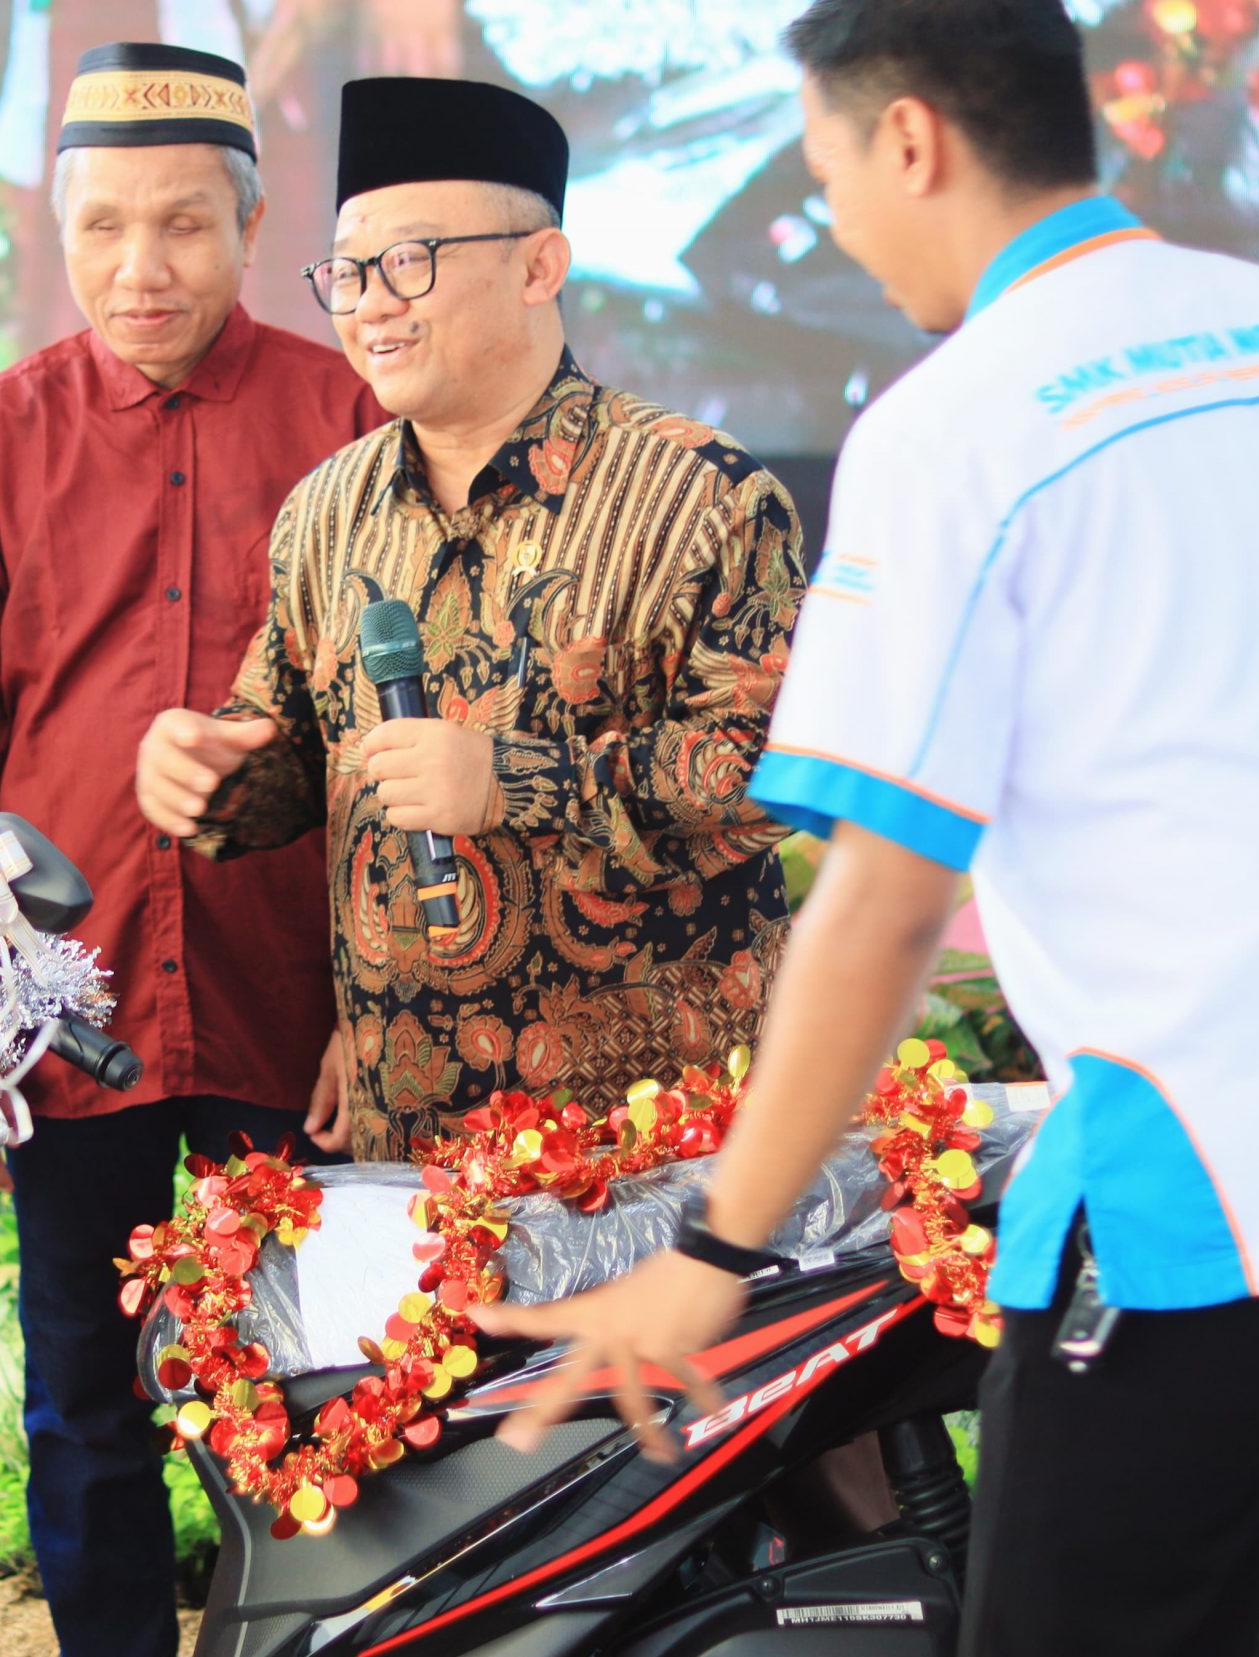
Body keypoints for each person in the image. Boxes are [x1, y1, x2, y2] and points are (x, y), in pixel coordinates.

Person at [475, 5, 1259, 1657]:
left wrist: (710, 1256)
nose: (833, 213)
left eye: (830, 163)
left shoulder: (956, 426)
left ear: (911, 141)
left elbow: (887, 896)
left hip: (1220, 1181)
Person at [0, 43, 383, 1657]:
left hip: (292, 1010)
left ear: (250, 227)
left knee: (322, 1380)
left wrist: (379, 1017)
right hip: (68, 1011)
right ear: (58, 229)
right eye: (102, 227)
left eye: (182, 225)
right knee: (82, 1394)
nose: (139, 268)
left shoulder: (343, 416)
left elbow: (398, 738)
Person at [134, 76, 809, 1160]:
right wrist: (209, 773)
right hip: (410, 1145)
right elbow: (291, 755)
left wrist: (509, 782)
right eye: (349, 273)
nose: (371, 304)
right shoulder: (326, 511)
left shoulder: (703, 496)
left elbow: (763, 779)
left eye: (411, 262)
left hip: (652, 1148)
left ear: (540, 265)